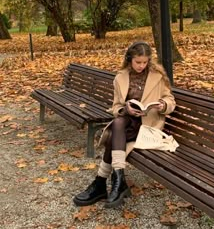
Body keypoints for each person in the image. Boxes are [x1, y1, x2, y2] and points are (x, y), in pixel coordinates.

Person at [73, 41, 176, 208]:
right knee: (119, 121)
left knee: (114, 134)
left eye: (145, 62)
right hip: (128, 121)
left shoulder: (158, 76)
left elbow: (170, 100)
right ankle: (118, 178)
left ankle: (101, 183)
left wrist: (163, 105)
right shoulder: (120, 78)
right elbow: (115, 107)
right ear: (130, 59)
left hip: (148, 126)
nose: (141, 66)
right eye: (138, 62)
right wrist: (125, 109)